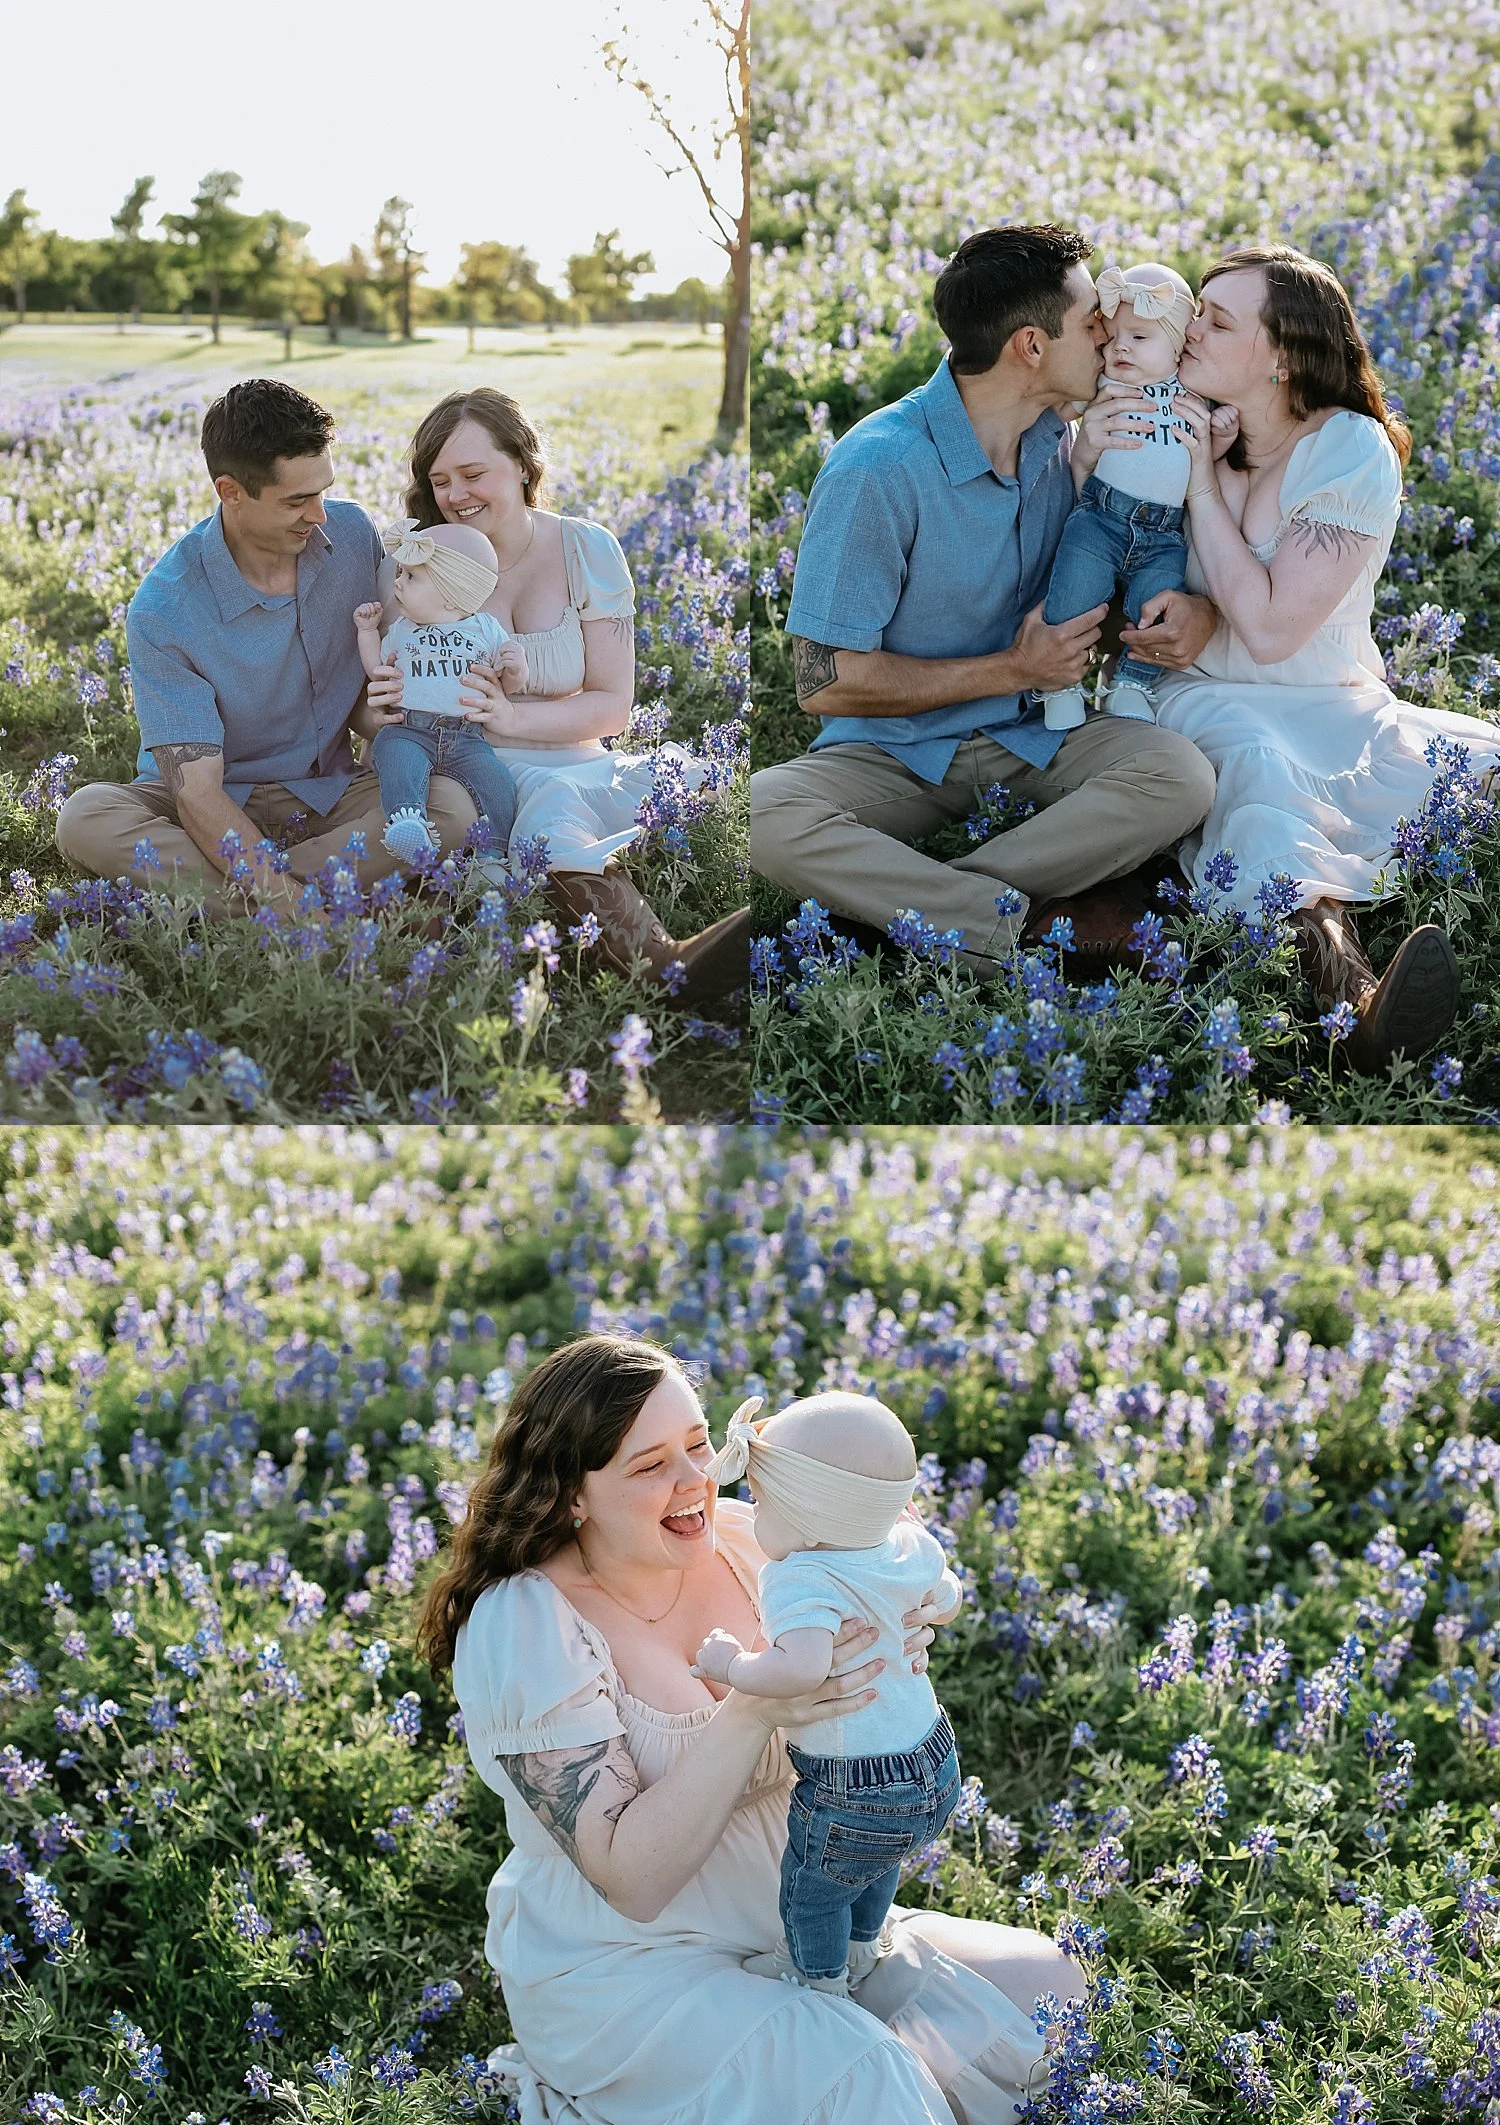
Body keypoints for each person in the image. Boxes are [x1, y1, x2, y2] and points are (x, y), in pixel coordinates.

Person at [417, 1332, 1082, 2125]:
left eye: (698, 1443)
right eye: (649, 1464)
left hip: (806, 1915)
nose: (694, 1479)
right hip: (634, 1966)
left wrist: (910, 1616)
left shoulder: (751, 1541)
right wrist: (754, 1707)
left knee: (1049, 1990)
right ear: (571, 1495)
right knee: (868, 2084)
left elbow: (898, 1562)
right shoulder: (526, 1625)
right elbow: (631, 1879)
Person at [749, 224, 1219, 974]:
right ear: (1031, 346)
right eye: (1093, 316)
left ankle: (916, 919)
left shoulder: (1067, 436)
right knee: (764, 815)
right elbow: (823, 680)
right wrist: (1013, 668)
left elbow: (1129, 555)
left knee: (1181, 776)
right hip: (895, 754)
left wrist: (1200, 610)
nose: (1110, 331)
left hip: (1036, 736)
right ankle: (1025, 925)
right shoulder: (878, 467)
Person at [1151, 244, 1500, 1071]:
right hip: (1207, 700)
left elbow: (1273, 630)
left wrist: (1202, 486)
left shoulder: (1348, 450)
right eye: (1196, 309)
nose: (1190, 330)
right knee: (1265, 795)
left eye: (1218, 319)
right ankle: (1361, 1005)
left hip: (1334, 702)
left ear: (1281, 357)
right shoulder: (1175, 422)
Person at [365, 389, 751, 1004]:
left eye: (473, 473)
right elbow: (381, 700)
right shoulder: (414, 563)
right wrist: (380, 701)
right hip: (464, 769)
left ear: (522, 463)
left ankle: (642, 955)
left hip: (576, 757)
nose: (455, 495)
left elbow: (611, 705)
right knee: (547, 813)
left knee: (563, 802)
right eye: (440, 481)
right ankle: (658, 965)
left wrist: (513, 713)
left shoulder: (586, 549)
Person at [55, 378, 483, 916]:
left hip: (325, 790)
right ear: (231, 492)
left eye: (323, 490)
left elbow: (374, 687)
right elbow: (196, 793)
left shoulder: (352, 536)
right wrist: (287, 898)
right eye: (297, 500)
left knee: (450, 806)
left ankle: (237, 897)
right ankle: (315, 902)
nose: (319, 514)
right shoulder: (165, 607)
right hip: (207, 798)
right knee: (85, 817)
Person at [689, 1393, 965, 2001]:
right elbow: (946, 1596)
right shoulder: (906, 1543)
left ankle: (819, 1982)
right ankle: (866, 1946)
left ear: (806, 1516)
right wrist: (935, 1608)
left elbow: (803, 1668)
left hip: (855, 1784)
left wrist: (731, 1664)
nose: (751, 1512)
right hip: (935, 1760)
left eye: (759, 1501)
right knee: (881, 1858)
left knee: (814, 1886)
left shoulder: (799, 1577)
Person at [1038, 261, 1214, 730]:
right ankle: (1062, 685)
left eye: (1140, 338)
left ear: (1178, 347)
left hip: (1163, 532)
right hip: (1101, 515)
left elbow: (1211, 442)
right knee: (1074, 592)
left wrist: (1226, 431)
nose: (1120, 347)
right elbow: (1056, 406)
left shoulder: (1193, 393)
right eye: (1113, 336)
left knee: (1155, 605)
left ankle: (1131, 683)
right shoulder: (1103, 386)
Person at [354, 519, 524, 867]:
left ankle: (492, 856)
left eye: (411, 577)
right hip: (410, 729)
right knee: (395, 756)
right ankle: (408, 823)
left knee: (498, 784)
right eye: (400, 574)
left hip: (468, 737)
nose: (397, 582)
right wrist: (367, 631)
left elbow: (506, 686)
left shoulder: (486, 629)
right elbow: (377, 669)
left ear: (451, 597)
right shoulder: (402, 629)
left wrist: (516, 667)